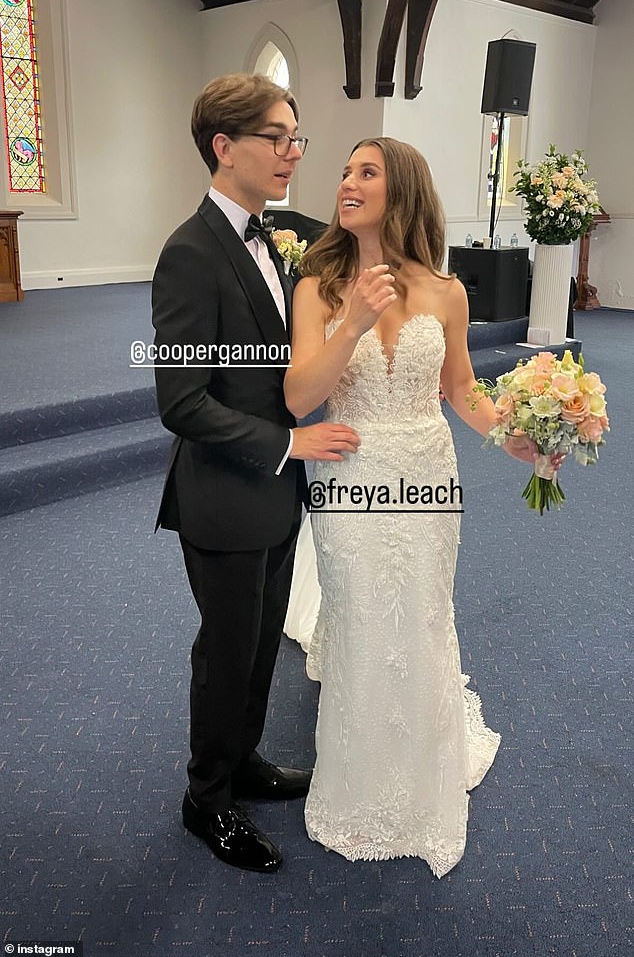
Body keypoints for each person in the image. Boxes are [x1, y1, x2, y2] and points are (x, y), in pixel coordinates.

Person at [284, 137, 561, 876]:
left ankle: (422, 761)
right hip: (351, 471)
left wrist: (520, 440)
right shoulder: (316, 284)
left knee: (420, 609)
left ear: (399, 189)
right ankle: (360, 778)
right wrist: (351, 321)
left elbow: (463, 390)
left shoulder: (447, 291)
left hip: (427, 471)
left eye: (364, 172)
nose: (346, 182)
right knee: (364, 612)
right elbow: (298, 396)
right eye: (343, 171)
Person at [151, 73, 360, 874]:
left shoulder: (273, 239)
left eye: (295, 136)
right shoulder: (189, 252)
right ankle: (206, 798)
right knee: (227, 651)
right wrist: (289, 446)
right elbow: (181, 401)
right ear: (224, 146)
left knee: (263, 645)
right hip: (225, 497)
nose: (292, 153)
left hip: (275, 496)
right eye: (277, 136)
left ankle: (243, 762)